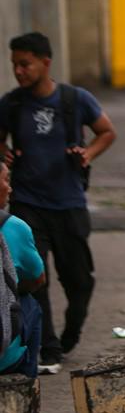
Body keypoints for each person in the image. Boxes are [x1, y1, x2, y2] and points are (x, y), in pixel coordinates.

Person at [0, 32, 115, 374]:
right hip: (28, 203)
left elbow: (107, 131)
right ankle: (48, 349)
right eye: (15, 65)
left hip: (68, 203)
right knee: (38, 277)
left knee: (79, 281)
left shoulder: (74, 99)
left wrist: (87, 154)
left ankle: (70, 333)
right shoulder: (11, 104)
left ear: (45, 63)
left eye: (25, 64)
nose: (19, 71)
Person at [0, 159, 47, 378]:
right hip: (3, 357)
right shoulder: (12, 227)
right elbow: (37, 280)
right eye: (5, 179)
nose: (9, 187)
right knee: (30, 305)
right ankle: (26, 390)